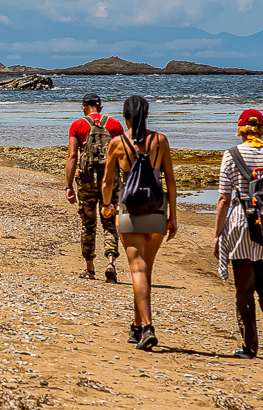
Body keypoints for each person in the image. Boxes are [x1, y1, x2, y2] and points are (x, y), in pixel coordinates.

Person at [212, 109, 263, 359]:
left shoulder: (231, 155)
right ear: (261, 129)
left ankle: (250, 346)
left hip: (242, 224)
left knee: (244, 290)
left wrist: (218, 234)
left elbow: (223, 198)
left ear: (241, 129)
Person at [100, 95, 177, 351]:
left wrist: (107, 204)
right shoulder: (161, 140)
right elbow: (171, 180)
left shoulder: (117, 143)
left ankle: (147, 327)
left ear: (125, 117)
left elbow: (107, 182)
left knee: (137, 270)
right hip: (156, 209)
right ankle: (135, 326)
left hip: (129, 210)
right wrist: (173, 216)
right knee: (146, 270)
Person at [63, 92, 125, 281]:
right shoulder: (115, 124)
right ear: (101, 107)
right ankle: (110, 262)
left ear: (83, 107)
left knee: (88, 225)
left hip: (87, 180)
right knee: (109, 222)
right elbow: (123, 156)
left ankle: (90, 269)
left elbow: (72, 156)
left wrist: (68, 186)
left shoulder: (77, 125)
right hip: (110, 180)